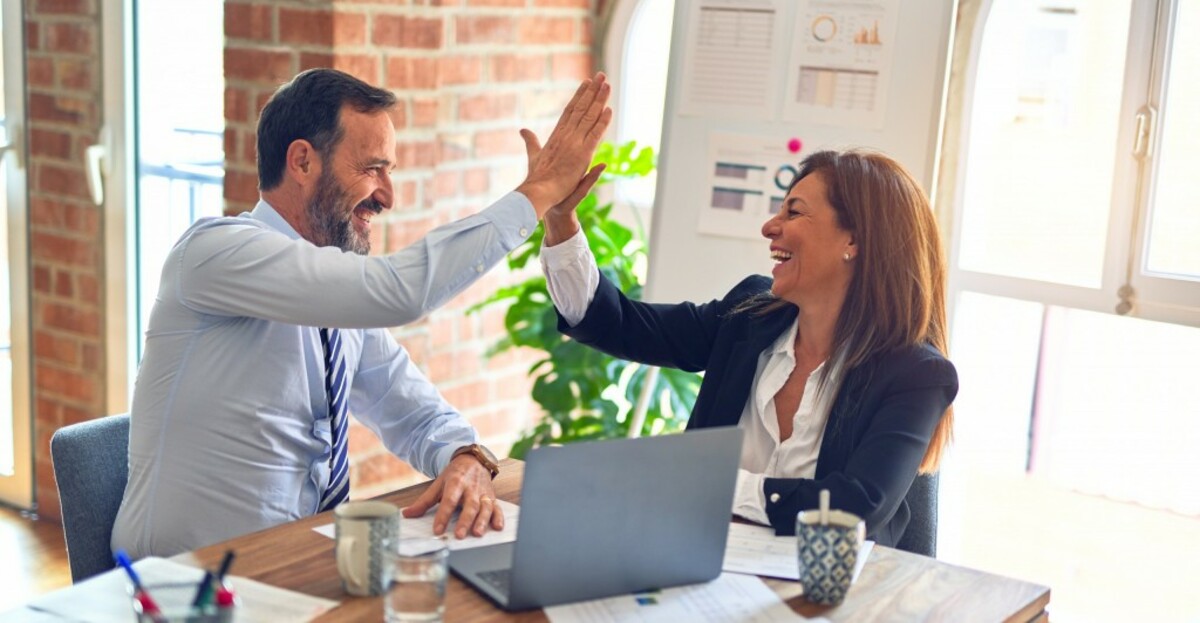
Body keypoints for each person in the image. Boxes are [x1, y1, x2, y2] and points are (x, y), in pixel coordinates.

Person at [112, 68, 611, 558]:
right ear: (303, 162)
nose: (388, 196)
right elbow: (400, 291)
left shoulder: (335, 301)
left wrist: (466, 456)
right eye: (373, 168)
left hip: (296, 568)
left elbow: (411, 409)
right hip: (183, 588)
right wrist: (539, 192)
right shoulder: (215, 253)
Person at [540, 149, 957, 546]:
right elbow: (619, 324)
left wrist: (712, 483)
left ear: (854, 241)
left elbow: (854, 509)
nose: (770, 227)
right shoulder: (749, 317)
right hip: (701, 567)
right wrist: (561, 220)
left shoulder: (916, 375)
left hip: (830, 599)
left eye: (793, 212)